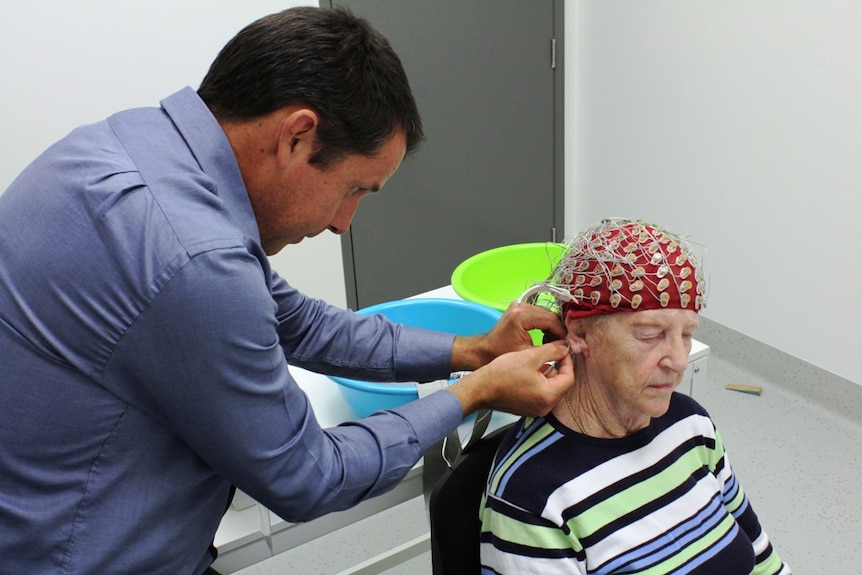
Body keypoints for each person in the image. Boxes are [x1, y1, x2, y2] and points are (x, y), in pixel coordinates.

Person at [0, 7, 573, 573]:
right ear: (297, 135)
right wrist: (472, 394)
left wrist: (475, 351)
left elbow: (296, 322)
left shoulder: (136, 146)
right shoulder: (193, 258)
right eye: (353, 189)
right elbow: (307, 476)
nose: (342, 222)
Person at [479, 218, 791, 574]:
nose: (678, 360)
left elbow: (762, 558)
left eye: (686, 334)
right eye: (649, 334)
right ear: (580, 333)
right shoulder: (533, 495)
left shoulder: (690, 425)